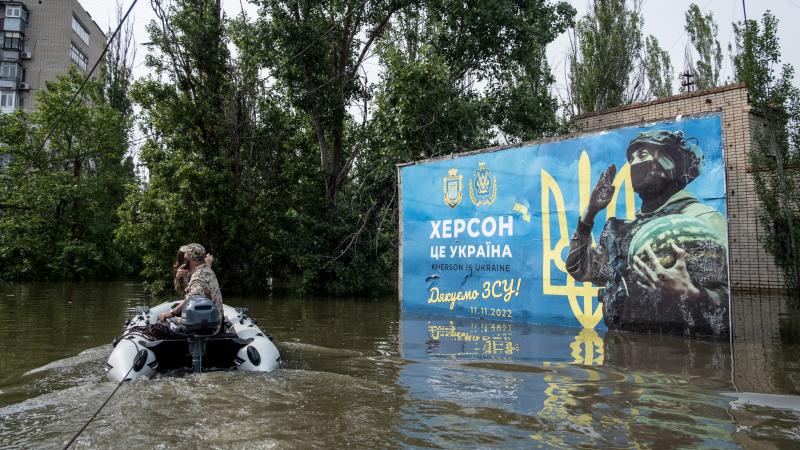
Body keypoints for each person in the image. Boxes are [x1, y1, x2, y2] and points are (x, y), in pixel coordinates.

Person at [566, 130, 729, 337]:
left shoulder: (702, 219)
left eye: (643, 155)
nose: (634, 164)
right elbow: (579, 269)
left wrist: (692, 293)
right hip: (619, 357)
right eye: (631, 159)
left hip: (678, 361)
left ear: (670, 162)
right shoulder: (624, 232)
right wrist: (590, 212)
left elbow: (729, 303)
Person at [159, 243, 224, 326]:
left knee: (165, 321)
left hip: (208, 326)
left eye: (186, 258)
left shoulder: (197, 277)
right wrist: (178, 278)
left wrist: (171, 313)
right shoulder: (207, 270)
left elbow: (192, 297)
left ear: (189, 259)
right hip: (216, 320)